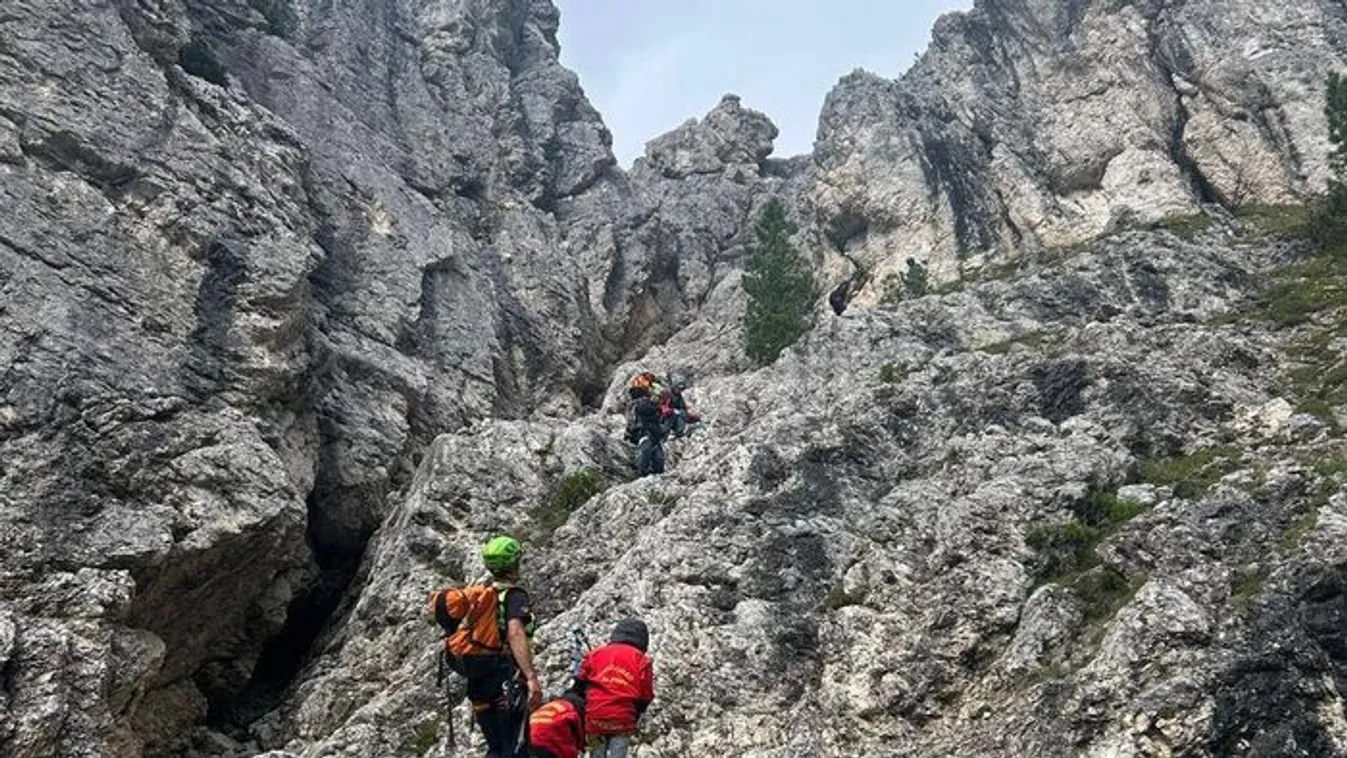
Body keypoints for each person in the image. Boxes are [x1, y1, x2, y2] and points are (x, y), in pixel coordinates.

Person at [470, 536, 543, 758]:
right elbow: (515, 633)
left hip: (478, 681)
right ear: (514, 564)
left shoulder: (481, 595)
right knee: (516, 747)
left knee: (496, 747)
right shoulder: (514, 596)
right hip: (507, 679)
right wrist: (530, 677)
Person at [574, 619, 655, 758]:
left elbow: (580, 681)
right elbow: (645, 695)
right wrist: (637, 713)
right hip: (622, 720)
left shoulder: (596, 654)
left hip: (595, 718)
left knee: (595, 754)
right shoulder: (642, 660)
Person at [527, 688, 586, 758]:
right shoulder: (571, 708)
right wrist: (581, 746)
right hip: (547, 739)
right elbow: (578, 732)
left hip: (532, 735)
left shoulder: (551, 705)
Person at [624, 386, 665, 477]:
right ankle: (644, 472)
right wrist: (657, 407)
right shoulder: (643, 403)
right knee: (650, 454)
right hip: (648, 433)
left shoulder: (632, 405)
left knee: (649, 452)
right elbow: (653, 413)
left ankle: (644, 472)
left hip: (640, 433)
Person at [657, 373, 700, 438]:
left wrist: (694, 418)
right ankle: (665, 432)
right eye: (679, 388)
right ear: (674, 386)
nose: (680, 391)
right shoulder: (666, 393)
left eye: (681, 389)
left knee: (682, 414)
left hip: (674, 418)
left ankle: (678, 431)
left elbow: (683, 409)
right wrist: (673, 411)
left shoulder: (678, 396)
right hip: (663, 419)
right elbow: (661, 408)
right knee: (673, 415)